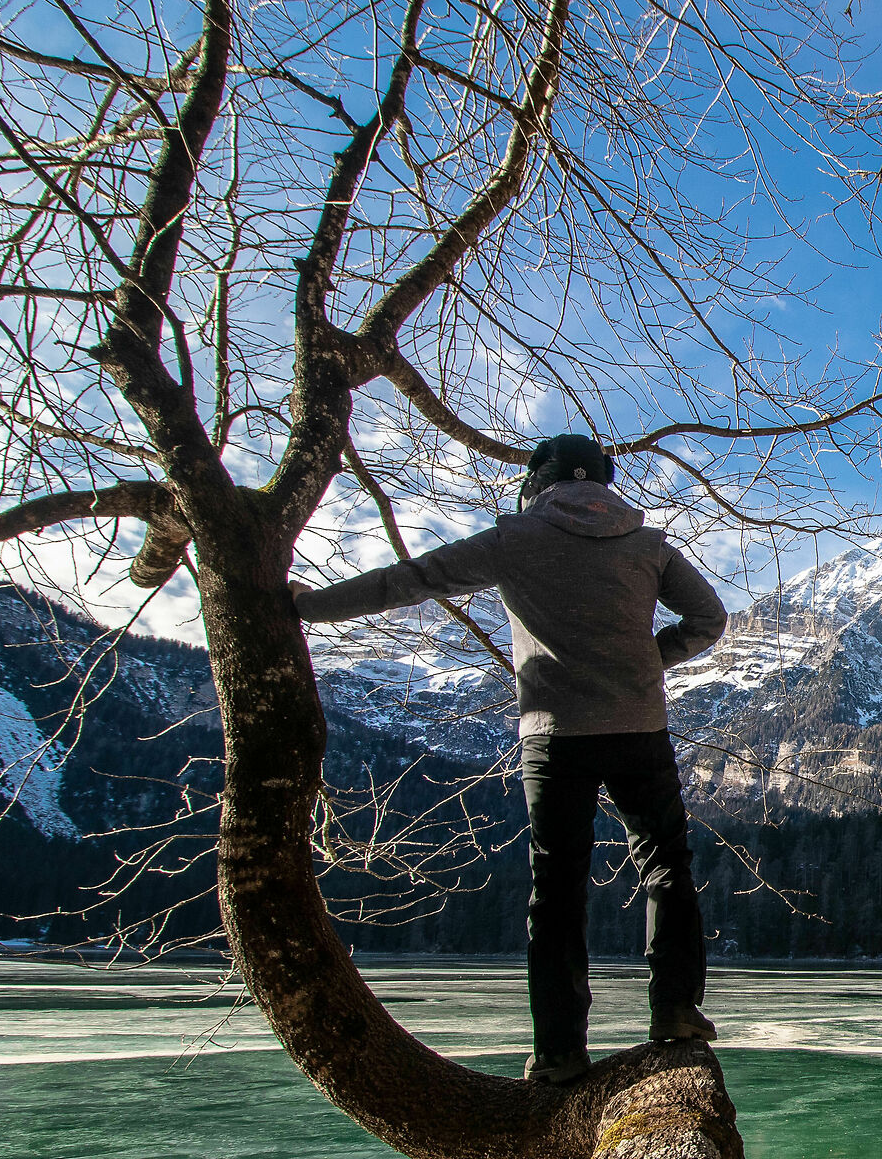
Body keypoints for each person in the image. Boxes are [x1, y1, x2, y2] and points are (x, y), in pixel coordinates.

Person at [293, 433, 729, 1083]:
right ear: (605, 483)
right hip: (639, 727)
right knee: (665, 864)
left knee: (554, 889)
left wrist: (305, 607)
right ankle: (674, 1010)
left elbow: (405, 582)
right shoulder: (649, 546)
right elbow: (709, 619)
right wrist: (645, 662)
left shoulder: (513, 540)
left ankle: (558, 1051)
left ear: (538, 483)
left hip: (554, 737)